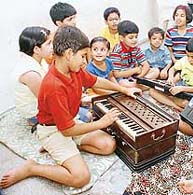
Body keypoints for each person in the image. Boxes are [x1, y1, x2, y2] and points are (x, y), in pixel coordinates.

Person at [0, 26, 141, 189]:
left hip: (70, 123)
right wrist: (102, 123)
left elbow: (95, 81)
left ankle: (61, 149)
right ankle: (33, 168)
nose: (84, 62)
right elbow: (67, 130)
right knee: (81, 178)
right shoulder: (53, 86)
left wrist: (124, 89)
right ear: (68, 54)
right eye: (82, 56)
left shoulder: (73, 69)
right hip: (53, 130)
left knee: (108, 145)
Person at [149, 37, 193, 111]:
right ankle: (176, 106)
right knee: (152, 91)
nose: (189, 59)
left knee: (186, 103)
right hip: (179, 86)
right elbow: (172, 69)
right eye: (188, 56)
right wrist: (170, 77)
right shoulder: (185, 60)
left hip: (191, 92)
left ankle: (169, 101)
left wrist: (181, 89)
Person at [11, 26, 52, 127]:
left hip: (46, 103)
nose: (52, 46)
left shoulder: (38, 59)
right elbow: (47, 101)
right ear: (36, 49)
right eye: (49, 44)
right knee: (86, 116)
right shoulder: (30, 73)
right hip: (36, 114)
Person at [110, 20, 158, 87]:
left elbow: (146, 65)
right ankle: (144, 85)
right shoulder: (117, 51)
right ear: (121, 38)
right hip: (123, 78)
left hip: (134, 76)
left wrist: (139, 78)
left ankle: (140, 84)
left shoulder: (136, 48)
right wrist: (135, 70)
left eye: (136, 37)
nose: (134, 40)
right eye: (131, 37)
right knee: (123, 83)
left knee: (156, 71)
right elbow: (117, 74)